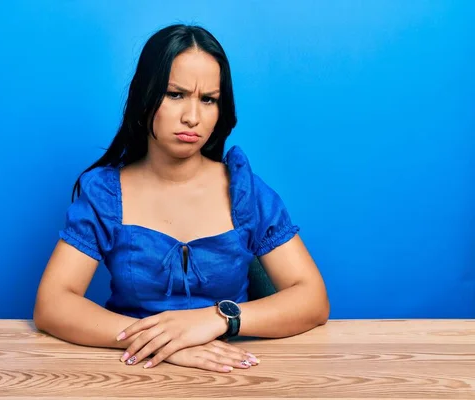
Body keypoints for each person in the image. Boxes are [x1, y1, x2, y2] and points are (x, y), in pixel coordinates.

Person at [33, 23, 329, 373]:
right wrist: (164, 342)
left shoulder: (245, 192)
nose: (192, 117)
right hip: (133, 372)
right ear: (146, 97)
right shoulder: (106, 195)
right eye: (175, 94)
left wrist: (218, 319)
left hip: (233, 372)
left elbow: (312, 300)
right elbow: (52, 305)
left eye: (208, 100)